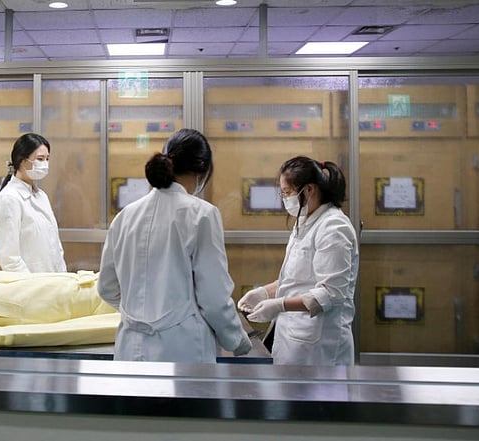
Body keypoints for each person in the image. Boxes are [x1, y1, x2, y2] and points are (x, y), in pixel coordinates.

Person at [97, 128, 252, 363]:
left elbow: (106, 287)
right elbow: (213, 297)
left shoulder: (126, 215)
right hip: (183, 350)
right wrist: (237, 340)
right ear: (202, 170)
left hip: (130, 348)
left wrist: (143, 314)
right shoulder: (201, 215)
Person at [237, 156, 359, 366]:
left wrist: (279, 305)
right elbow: (296, 279)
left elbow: (329, 294)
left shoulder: (334, 228)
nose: (284, 198)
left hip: (321, 349)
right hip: (294, 339)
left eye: (287, 192)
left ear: (309, 190)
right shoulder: (306, 222)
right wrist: (264, 292)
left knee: (317, 398)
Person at [0, 133, 66, 273]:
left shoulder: (41, 196)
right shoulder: (9, 199)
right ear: (22, 160)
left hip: (53, 282)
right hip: (31, 287)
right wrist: (30, 286)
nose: (44, 164)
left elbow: (54, 245)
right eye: (39, 159)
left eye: (47, 159)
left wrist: (62, 276)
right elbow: (9, 258)